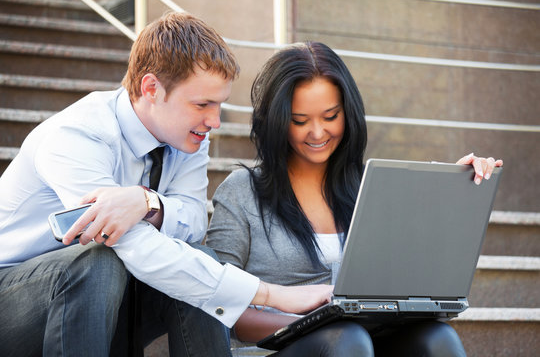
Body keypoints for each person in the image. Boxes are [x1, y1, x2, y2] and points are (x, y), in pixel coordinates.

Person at [0, 14, 333, 356]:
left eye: (219, 105)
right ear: (151, 88)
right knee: (96, 262)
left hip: (107, 295)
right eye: (202, 104)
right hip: (15, 297)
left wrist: (149, 203)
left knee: (197, 257)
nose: (215, 121)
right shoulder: (76, 135)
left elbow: (192, 223)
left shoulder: (188, 135)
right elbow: (135, 247)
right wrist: (271, 295)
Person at [206, 41, 503, 356]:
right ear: (278, 121)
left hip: (364, 343)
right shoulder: (241, 192)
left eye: (330, 116)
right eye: (300, 120)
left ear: (347, 113)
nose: (318, 133)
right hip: (280, 350)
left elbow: (410, 273)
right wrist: (308, 321)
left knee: (437, 339)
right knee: (345, 340)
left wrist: (450, 192)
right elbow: (220, 304)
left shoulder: (371, 187)